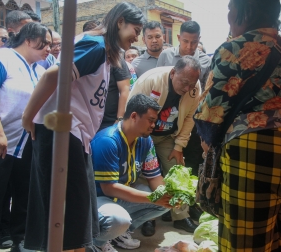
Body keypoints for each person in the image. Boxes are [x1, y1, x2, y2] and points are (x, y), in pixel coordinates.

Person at [194, 1, 281, 251]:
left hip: (257, 153)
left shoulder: (236, 48)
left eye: (231, 8)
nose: (229, 16)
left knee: (245, 244)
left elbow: (211, 111)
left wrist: (208, 143)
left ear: (246, 10)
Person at [21, 3, 145, 251]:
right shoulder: (96, 46)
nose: (137, 37)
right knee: (66, 221)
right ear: (120, 21)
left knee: (78, 221)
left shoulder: (107, 53)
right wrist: (27, 117)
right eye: (136, 29)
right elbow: (53, 76)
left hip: (77, 137)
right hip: (63, 133)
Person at [0, 22, 51, 252]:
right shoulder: (1, 58)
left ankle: (20, 241)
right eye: (46, 43)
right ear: (29, 40)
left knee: (24, 198)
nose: (49, 49)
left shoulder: (40, 70)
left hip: (25, 146)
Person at [127, 56, 201, 233]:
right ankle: (148, 218)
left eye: (192, 85)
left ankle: (181, 216)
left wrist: (179, 146)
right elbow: (132, 109)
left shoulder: (194, 88)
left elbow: (191, 117)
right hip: (145, 136)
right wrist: (135, 140)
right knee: (145, 174)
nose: (187, 88)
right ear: (173, 72)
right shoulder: (150, 80)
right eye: (184, 83)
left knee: (178, 173)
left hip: (169, 137)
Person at [91, 94, 171, 252]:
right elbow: (109, 188)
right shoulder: (108, 140)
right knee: (118, 219)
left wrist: (167, 196)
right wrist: (154, 198)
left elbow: (154, 176)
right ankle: (95, 242)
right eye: (150, 120)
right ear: (134, 116)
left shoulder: (145, 140)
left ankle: (118, 233)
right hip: (97, 198)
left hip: (121, 196)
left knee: (166, 202)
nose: (153, 125)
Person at [156, 21, 210, 209]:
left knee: (188, 164)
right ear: (178, 38)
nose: (189, 46)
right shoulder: (165, 56)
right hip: (161, 121)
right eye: (185, 41)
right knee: (155, 167)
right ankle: (156, 211)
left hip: (189, 120)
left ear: (199, 40)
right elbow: (158, 86)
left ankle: (185, 209)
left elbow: (200, 94)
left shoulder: (205, 61)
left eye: (194, 42)